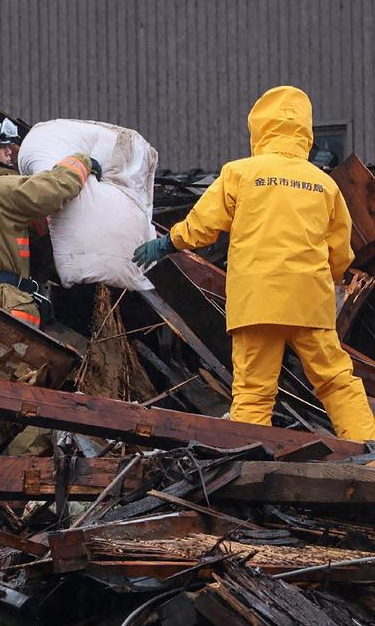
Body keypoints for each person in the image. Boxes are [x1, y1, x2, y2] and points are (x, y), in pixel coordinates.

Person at [133, 85, 375, 440]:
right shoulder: (324, 185)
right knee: (336, 381)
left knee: (253, 392)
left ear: (259, 128)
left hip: (256, 302)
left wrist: (168, 242)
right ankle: (368, 452)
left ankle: (252, 456)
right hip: (310, 303)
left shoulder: (239, 173)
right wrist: (327, 280)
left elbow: (203, 226)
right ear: (305, 133)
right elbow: (340, 253)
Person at [0, 114, 100, 327]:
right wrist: (82, 162)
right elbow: (53, 190)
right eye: (0, 146)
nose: (9, 149)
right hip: (2, 302)